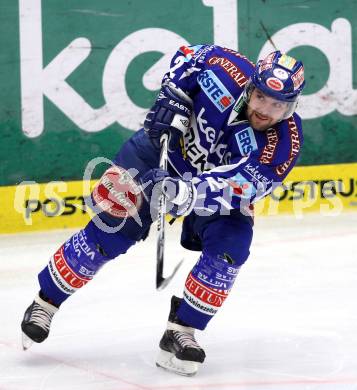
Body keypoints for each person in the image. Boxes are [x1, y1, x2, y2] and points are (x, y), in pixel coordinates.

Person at [21, 44, 305, 376]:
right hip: (156, 155)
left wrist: (188, 192)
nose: (266, 111)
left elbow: (243, 185)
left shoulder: (284, 142)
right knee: (110, 230)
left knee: (231, 248)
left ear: (292, 106)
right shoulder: (224, 66)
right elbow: (187, 54)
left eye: (277, 105)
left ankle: (181, 331)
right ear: (251, 88)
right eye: (261, 99)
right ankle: (44, 304)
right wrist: (175, 96)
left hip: (208, 192)